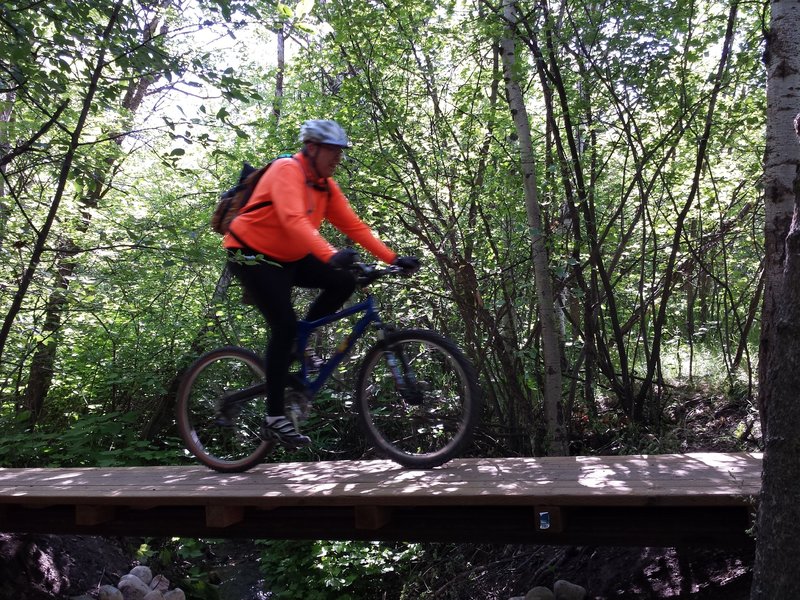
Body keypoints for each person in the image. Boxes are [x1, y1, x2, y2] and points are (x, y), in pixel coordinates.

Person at [223, 119, 420, 448]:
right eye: (333, 151)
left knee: (343, 282)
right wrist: (329, 253)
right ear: (312, 148)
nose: (338, 158)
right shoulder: (287, 170)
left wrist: (393, 258)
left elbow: (355, 227)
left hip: (288, 255)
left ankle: (301, 343)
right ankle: (274, 417)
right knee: (283, 326)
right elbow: (293, 220)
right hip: (250, 253)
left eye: (340, 153)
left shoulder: (325, 186)